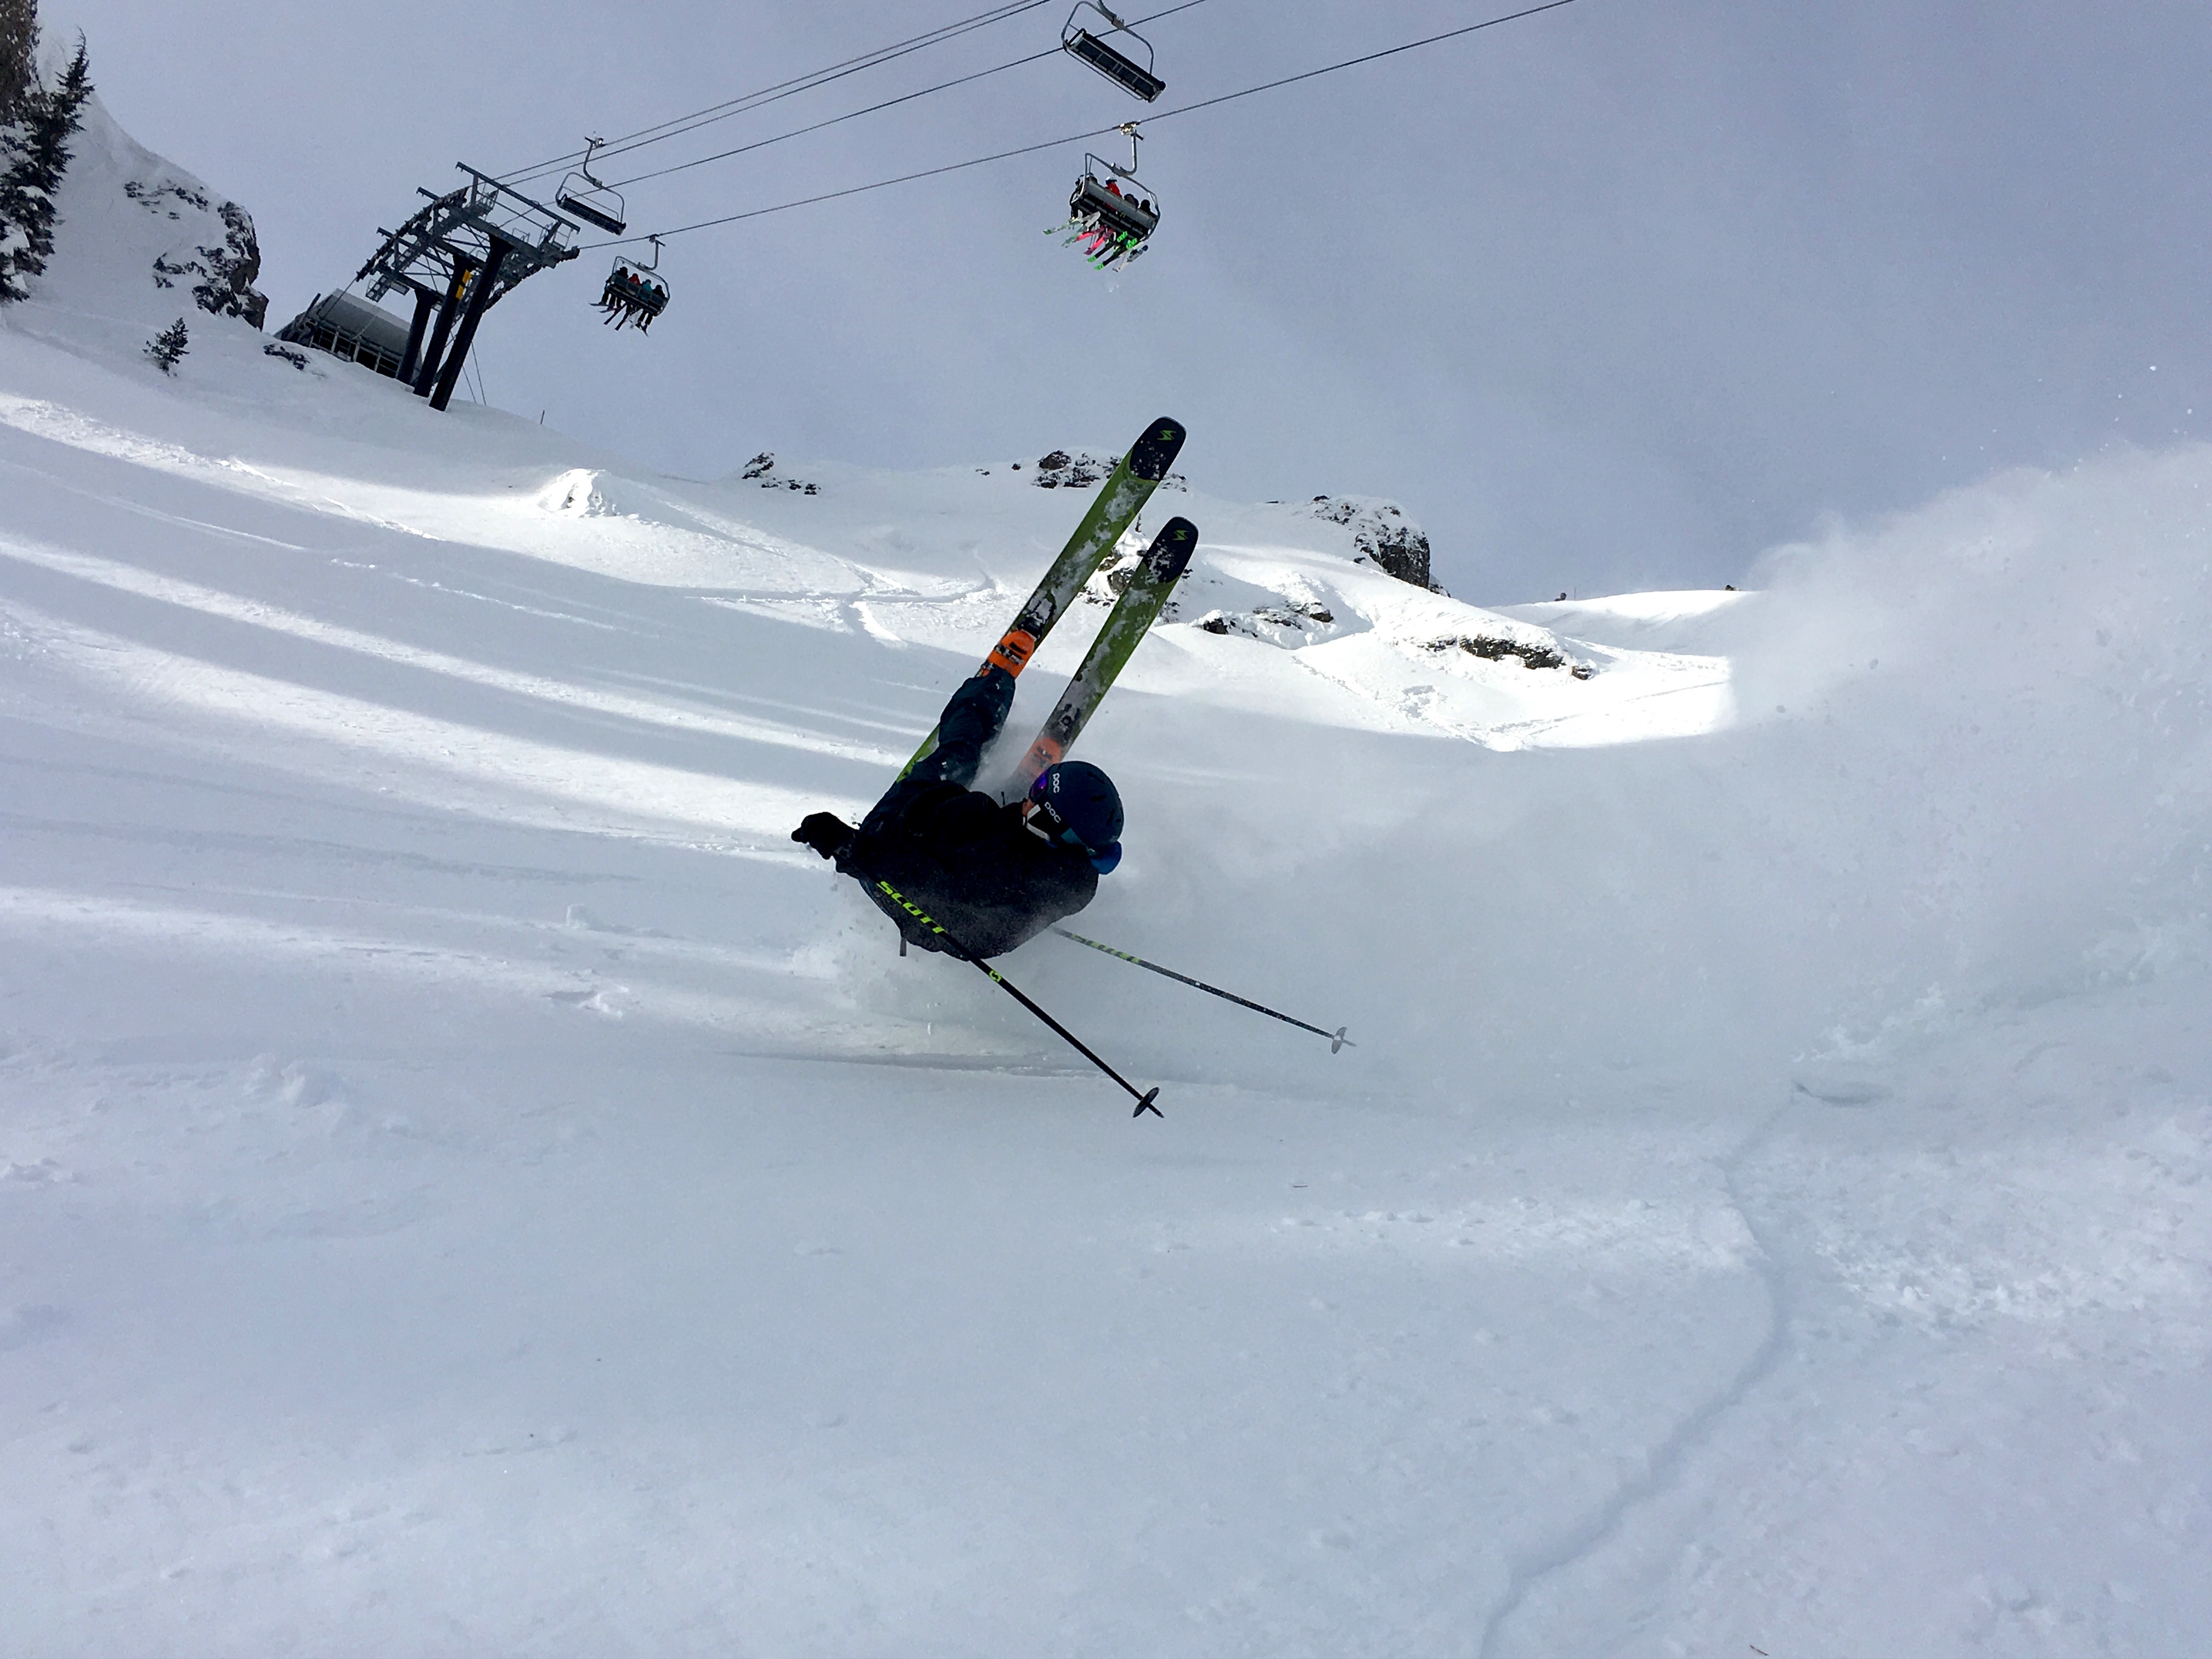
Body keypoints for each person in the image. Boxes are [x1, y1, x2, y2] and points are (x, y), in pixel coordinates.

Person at [792, 666, 1124, 958]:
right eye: (1036, 787)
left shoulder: (981, 849)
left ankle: (992, 683)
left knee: (959, 755)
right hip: (965, 895)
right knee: (987, 811)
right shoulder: (1076, 879)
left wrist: (847, 844)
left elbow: (910, 873)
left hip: (894, 854)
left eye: (1037, 802)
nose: (1029, 800)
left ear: (1051, 830)